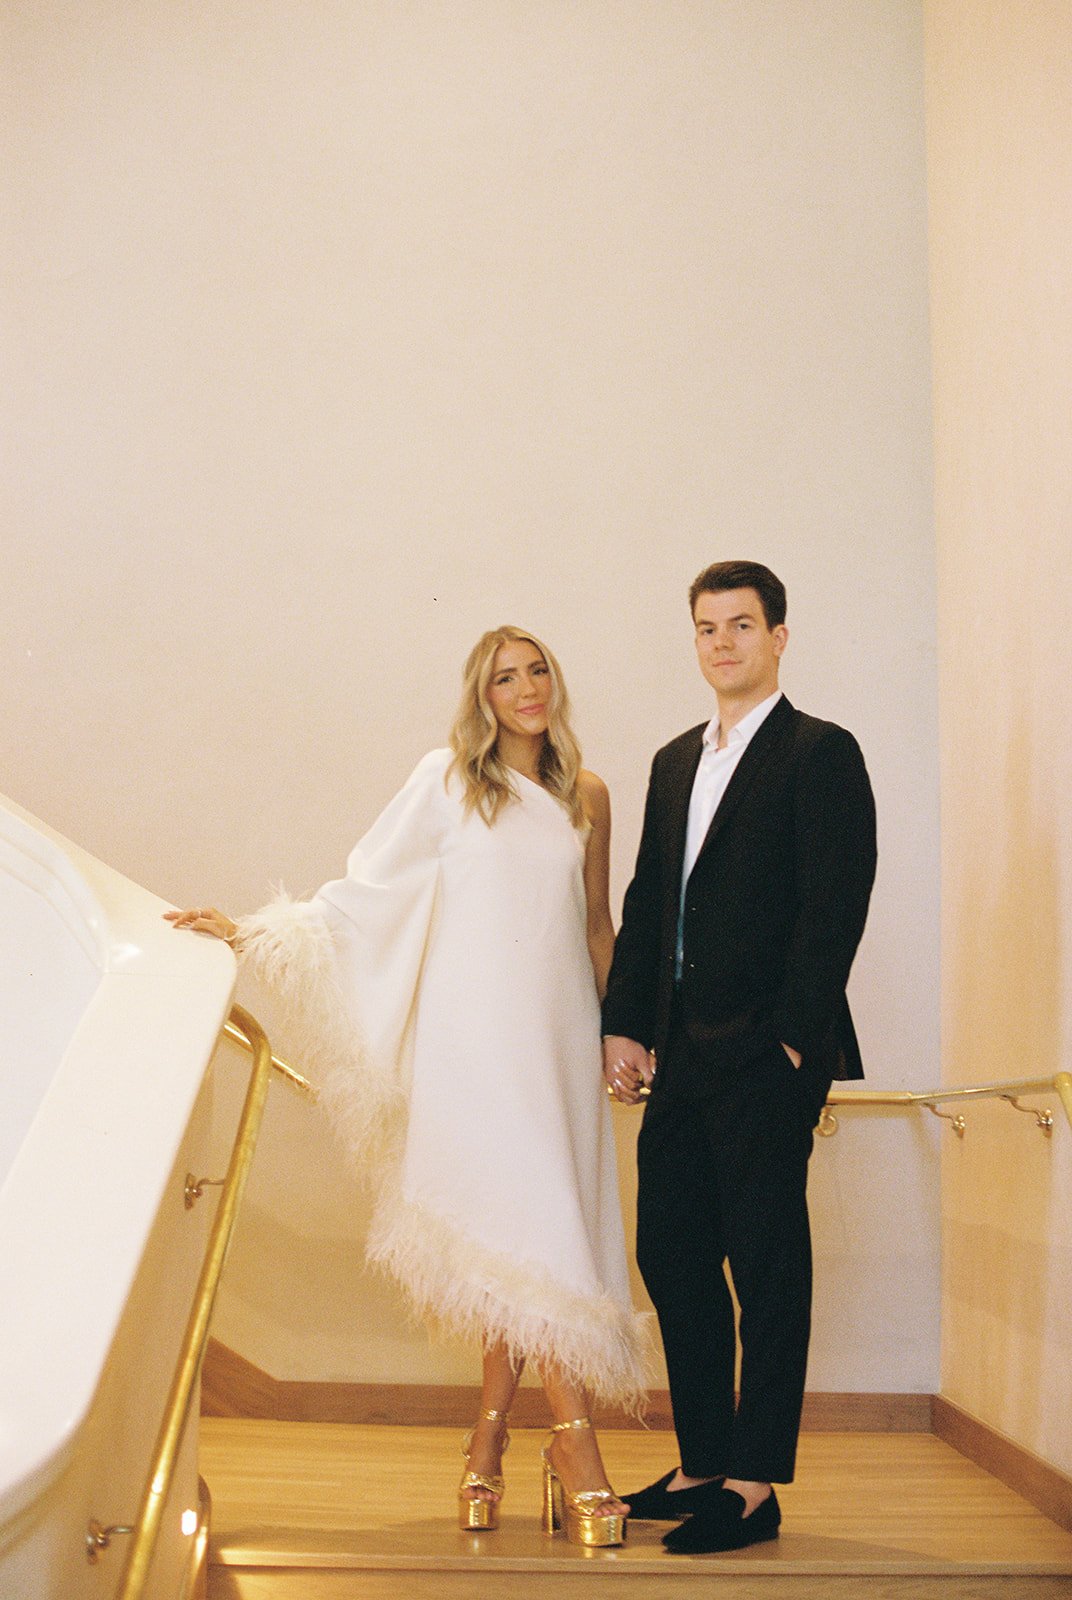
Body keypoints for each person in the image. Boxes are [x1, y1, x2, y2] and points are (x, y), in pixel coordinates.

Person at [167, 626, 644, 1547]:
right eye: (505, 678)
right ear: (484, 697)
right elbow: (363, 896)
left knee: (526, 1242)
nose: (526, 688)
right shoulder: (449, 782)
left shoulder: (587, 796)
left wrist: (621, 1033)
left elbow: (596, 924)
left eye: (537, 669)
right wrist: (251, 934)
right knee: (531, 1231)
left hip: (557, 1047)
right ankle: (576, 1452)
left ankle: (486, 1448)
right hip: (476, 1053)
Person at [602, 561, 876, 1554]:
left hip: (765, 1052)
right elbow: (648, 902)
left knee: (765, 1264)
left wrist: (794, 1037)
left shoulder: (818, 753)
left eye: (741, 625)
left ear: (778, 637)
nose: (722, 642)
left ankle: (754, 1484)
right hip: (678, 1052)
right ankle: (702, 1461)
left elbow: (833, 902)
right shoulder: (676, 759)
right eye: (707, 628)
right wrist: (624, 1021)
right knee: (668, 1248)